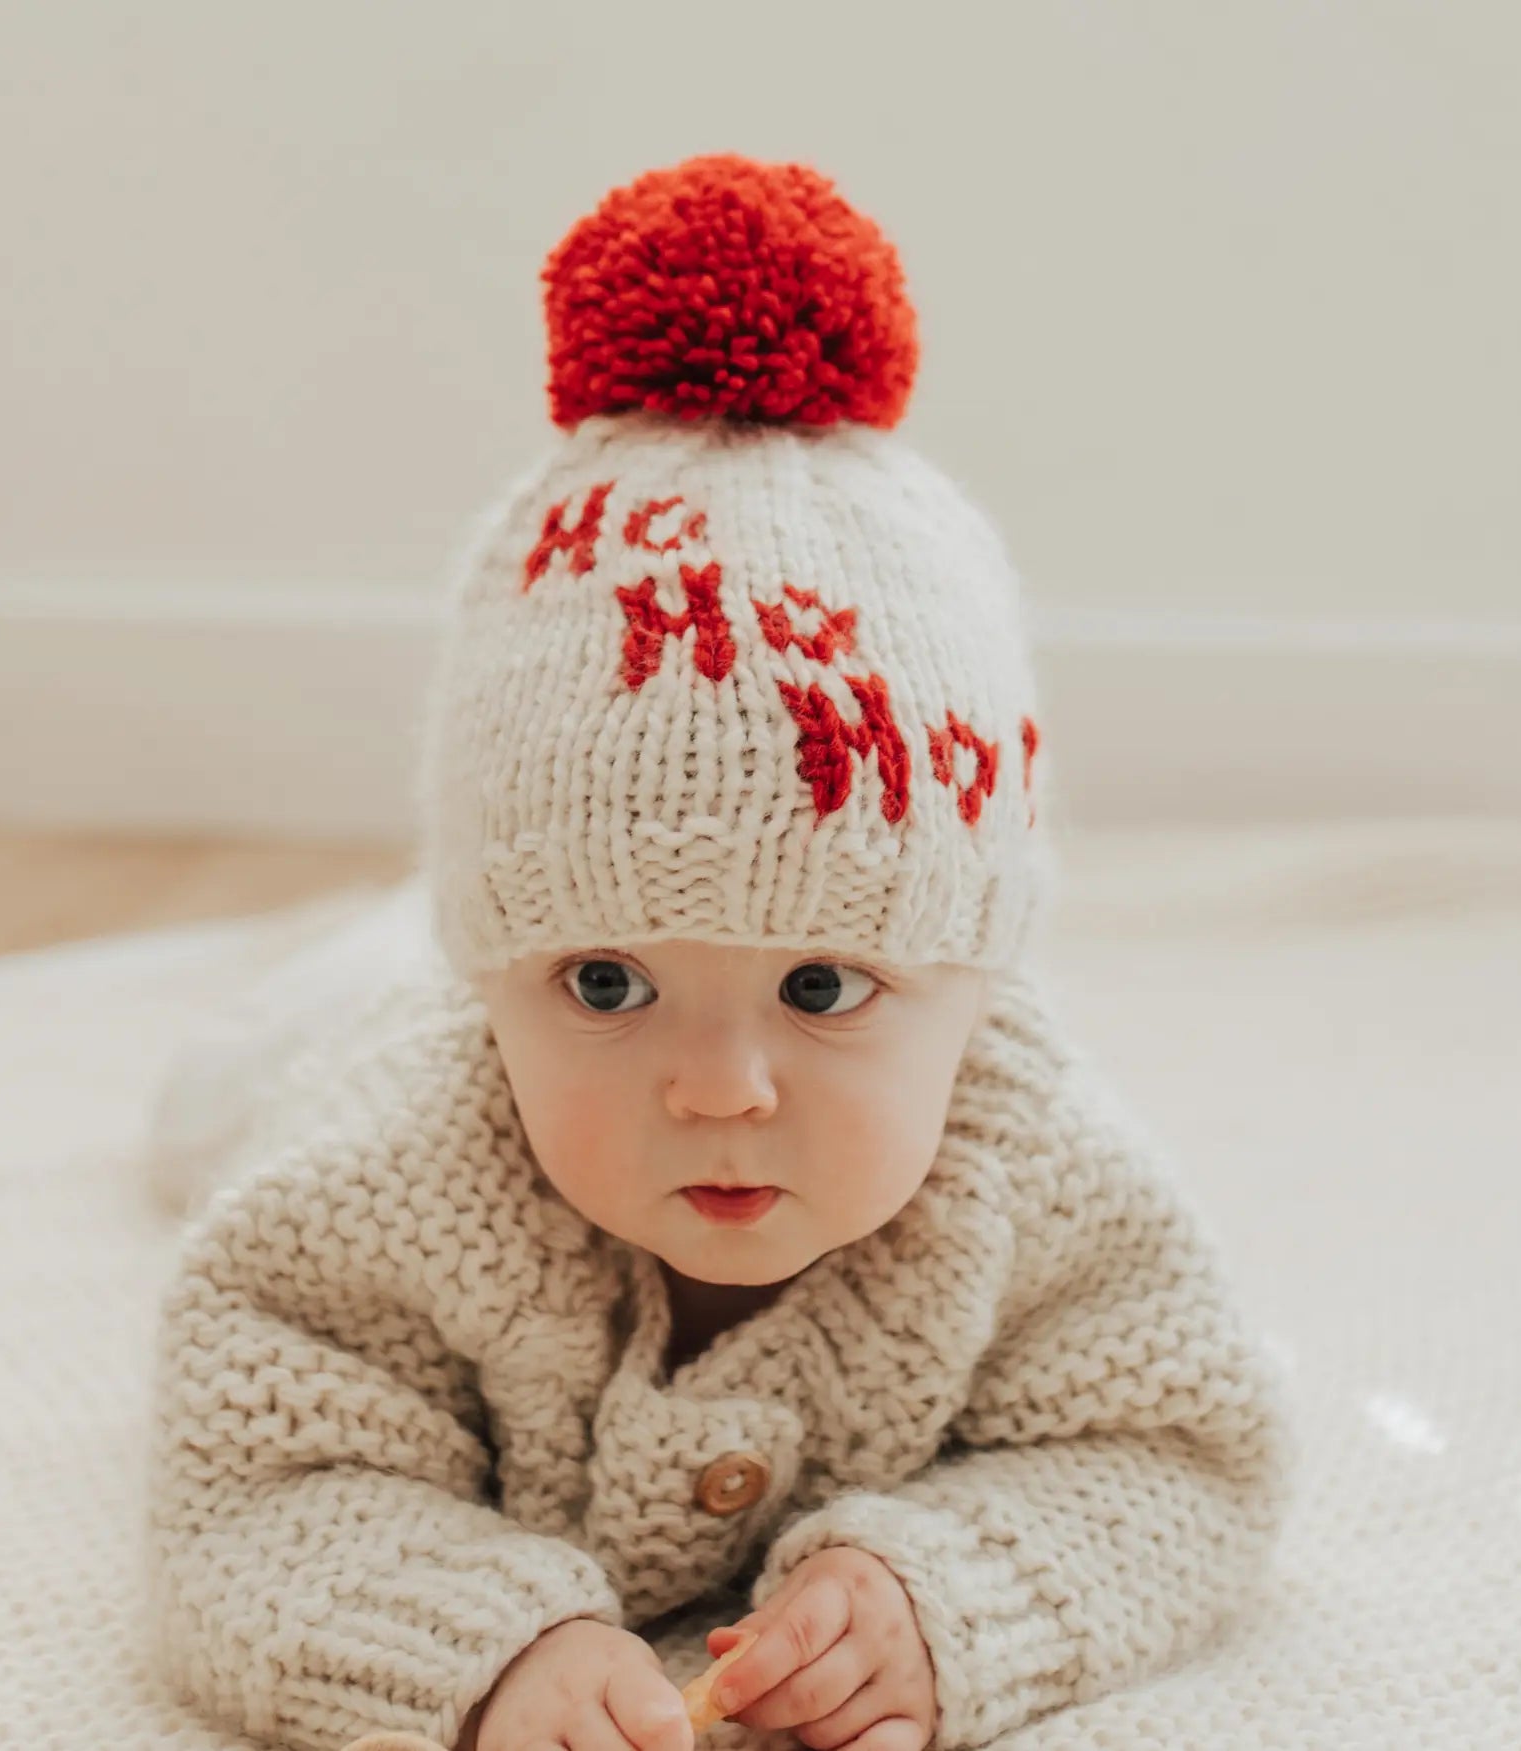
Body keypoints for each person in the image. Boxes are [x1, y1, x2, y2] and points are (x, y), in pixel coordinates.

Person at [143, 152, 1290, 1751]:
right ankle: (378, 957)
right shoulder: (380, 1185)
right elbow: (254, 1495)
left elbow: (1174, 1457)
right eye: (603, 982)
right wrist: (472, 1650)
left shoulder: (1037, 1178)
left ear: (980, 981)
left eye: (825, 987)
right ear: (497, 978)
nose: (721, 1086)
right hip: (347, 1036)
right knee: (213, 1101)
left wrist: (942, 1596)